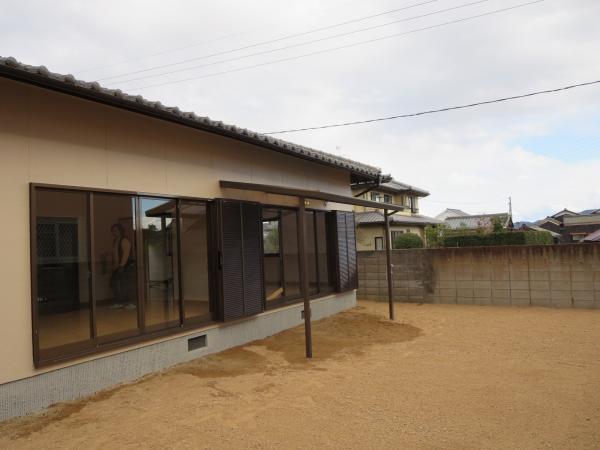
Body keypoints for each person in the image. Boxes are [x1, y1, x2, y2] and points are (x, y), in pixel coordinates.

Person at [109, 223, 136, 310]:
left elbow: (126, 254)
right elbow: (115, 254)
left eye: (116, 230)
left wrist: (121, 265)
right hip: (117, 267)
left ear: (120, 230)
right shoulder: (115, 240)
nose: (114, 232)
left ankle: (130, 303)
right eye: (113, 231)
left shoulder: (124, 240)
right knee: (114, 284)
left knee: (125, 284)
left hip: (124, 266)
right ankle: (120, 302)